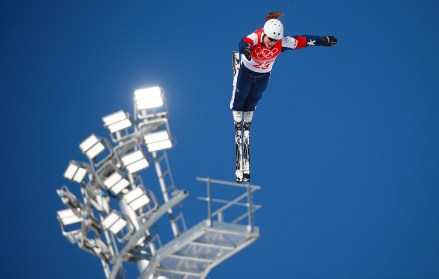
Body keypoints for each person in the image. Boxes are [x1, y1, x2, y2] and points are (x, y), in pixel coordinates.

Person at [230, 11, 337, 183]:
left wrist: (322, 40)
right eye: (270, 39)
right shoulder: (256, 37)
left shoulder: (282, 43)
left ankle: (248, 112)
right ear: (265, 34)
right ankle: (237, 109)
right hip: (247, 72)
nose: (272, 43)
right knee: (242, 92)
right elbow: (244, 41)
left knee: (257, 94)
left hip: (263, 75)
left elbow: (302, 41)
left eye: (275, 40)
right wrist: (246, 49)